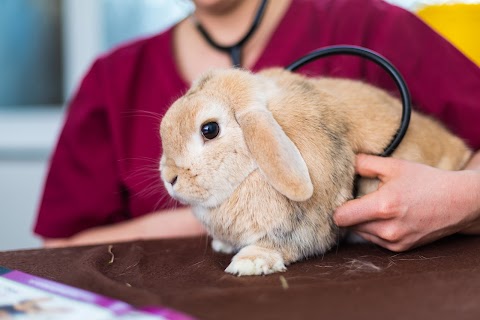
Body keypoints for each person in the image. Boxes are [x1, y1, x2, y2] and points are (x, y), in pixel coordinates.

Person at [35, 0, 480, 251]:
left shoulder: (375, 28)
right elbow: (58, 254)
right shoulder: (112, 79)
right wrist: (231, 214)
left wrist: (463, 199)